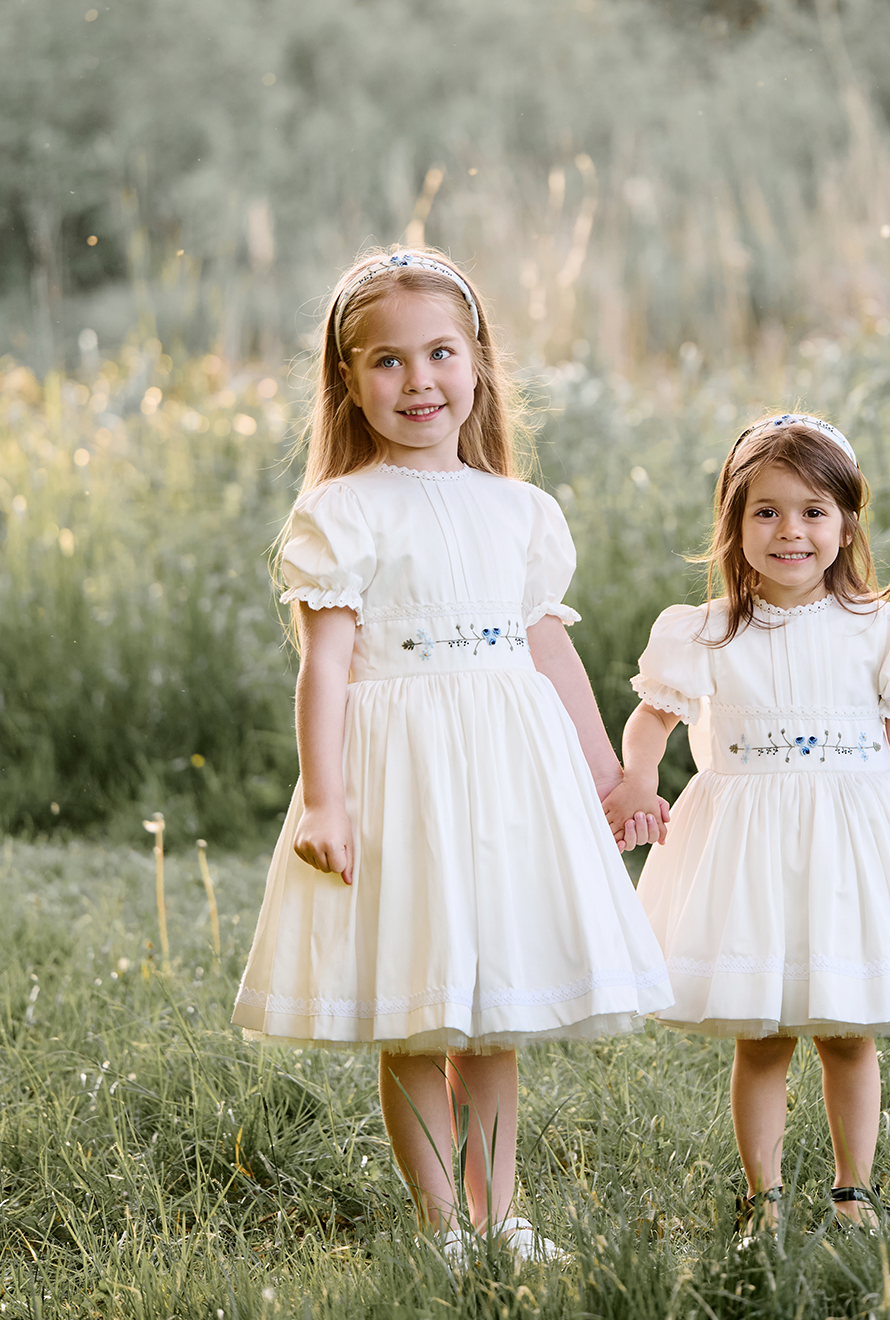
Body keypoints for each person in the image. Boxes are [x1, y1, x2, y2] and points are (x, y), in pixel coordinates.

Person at [232, 247, 672, 1255]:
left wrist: (605, 775)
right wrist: (325, 800)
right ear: (346, 379)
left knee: (495, 1014)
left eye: (439, 352)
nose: (417, 380)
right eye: (384, 360)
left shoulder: (519, 510)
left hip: (508, 765)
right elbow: (324, 669)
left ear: (478, 359)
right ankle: (443, 1226)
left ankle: (496, 1216)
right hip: (403, 769)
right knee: (421, 1004)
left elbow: (548, 649)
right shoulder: (342, 511)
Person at [603, 413, 890, 1229]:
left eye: (814, 511)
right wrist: (640, 777)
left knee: (850, 1029)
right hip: (747, 845)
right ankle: (765, 1195)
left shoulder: (882, 629)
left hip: (852, 841)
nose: (791, 532)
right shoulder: (705, 631)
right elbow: (652, 719)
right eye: (767, 512)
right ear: (733, 522)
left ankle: (855, 1191)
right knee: (765, 1031)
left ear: (847, 521)